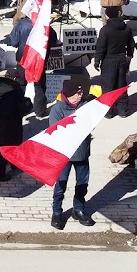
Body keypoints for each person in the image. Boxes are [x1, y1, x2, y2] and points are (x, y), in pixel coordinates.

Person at [50, 79, 95, 229]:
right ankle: (57, 212)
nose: (80, 96)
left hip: (82, 153)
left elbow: (91, 125)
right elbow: (55, 131)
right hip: (65, 155)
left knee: (82, 184)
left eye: (81, 93)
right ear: (68, 94)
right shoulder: (58, 109)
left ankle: (79, 210)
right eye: (77, 93)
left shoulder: (85, 106)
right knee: (61, 185)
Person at [0, 74, 29, 182]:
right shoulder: (15, 91)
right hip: (11, 126)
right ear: (14, 78)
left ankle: (14, 163)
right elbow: (22, 108)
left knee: (7, 147)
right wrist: (28, 103)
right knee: (6, 149)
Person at [94, 6, 135, 118]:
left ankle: (109, 112)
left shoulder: (105, 30)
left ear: (107, 16)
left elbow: (100, 47)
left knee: (108, 87)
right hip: (122, 60)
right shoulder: (126, 28)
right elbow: (131, 45)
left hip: (109, 62)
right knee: (121, 85)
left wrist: (97, 61)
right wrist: (129, 57)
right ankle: (123, 110)